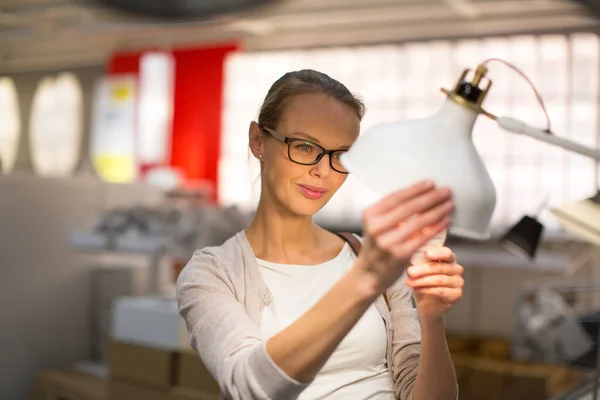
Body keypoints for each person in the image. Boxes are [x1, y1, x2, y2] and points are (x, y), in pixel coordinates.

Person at [177, 69, 464, 400]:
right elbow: (247, 386)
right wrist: (363, 280)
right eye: (303, 146)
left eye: (340, 155)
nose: (323, 171)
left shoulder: (364, 256)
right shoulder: (212, 273)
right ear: (258, 141)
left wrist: (431, 320)